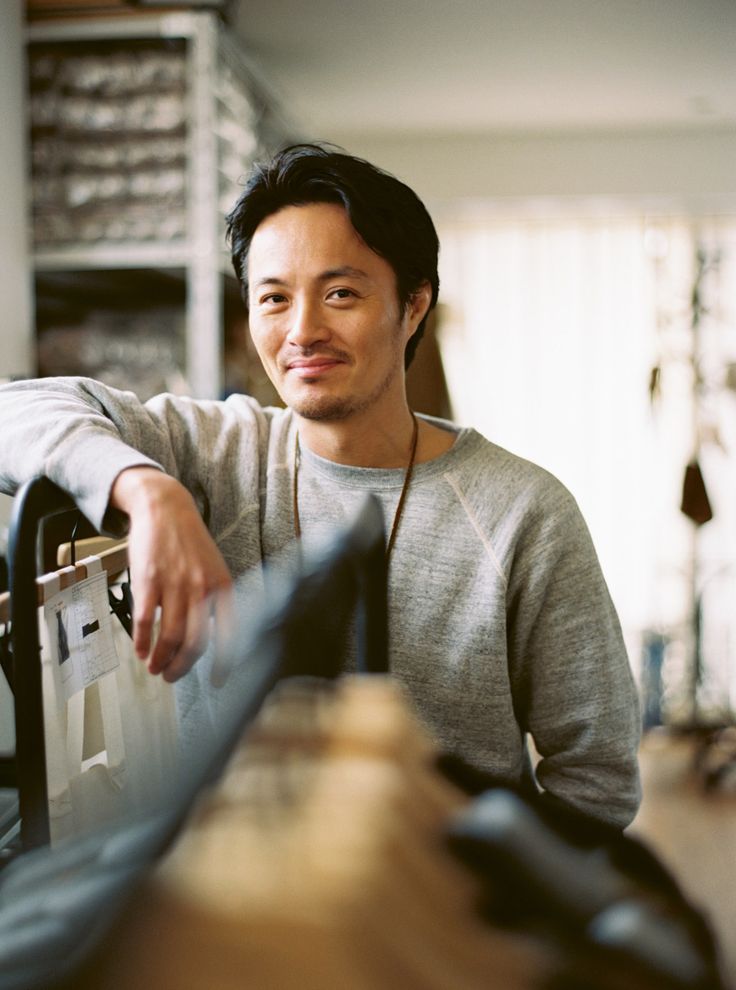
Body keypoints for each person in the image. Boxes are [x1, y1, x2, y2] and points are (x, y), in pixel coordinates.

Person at [0, 144, 640, 829]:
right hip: (236, 905)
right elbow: (16, 411)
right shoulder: (216, 454)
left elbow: (596, 781)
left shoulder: (522, 513)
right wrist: (147, 491)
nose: (302, 331)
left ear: (414, 304)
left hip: (433, 913)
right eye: (273, 298)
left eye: (340, 294)